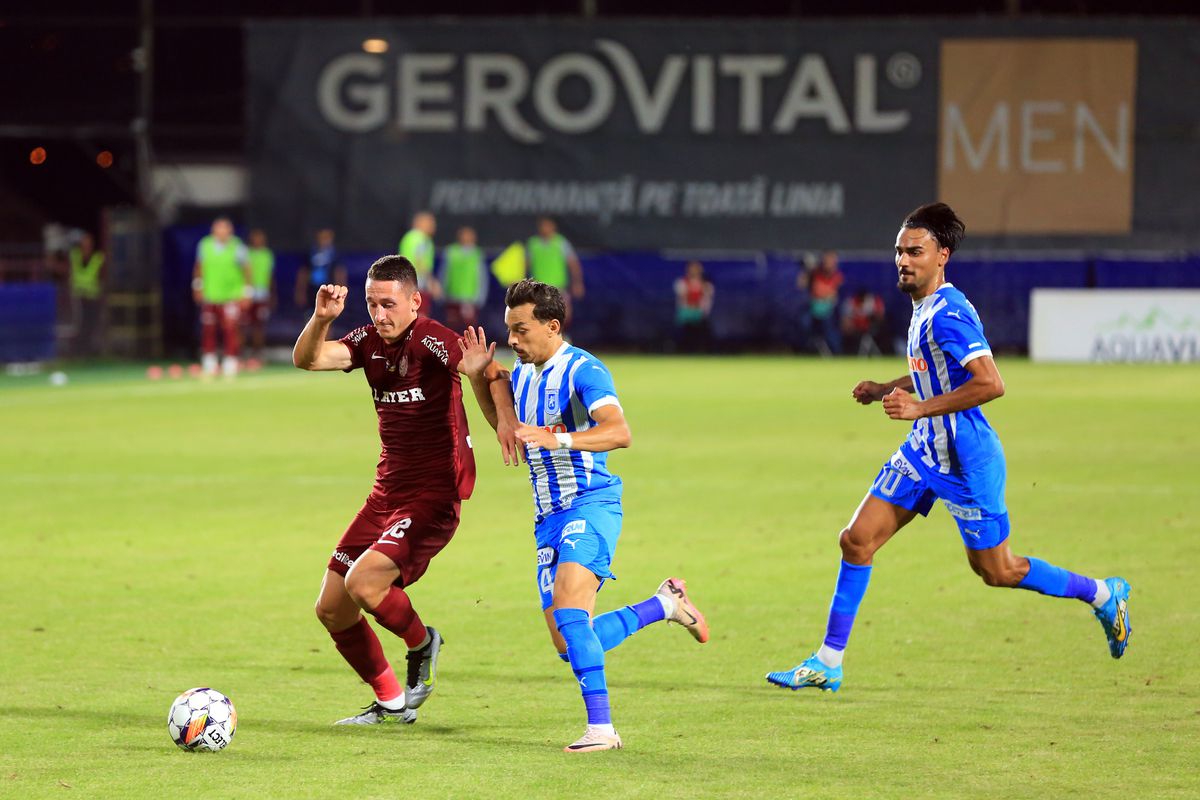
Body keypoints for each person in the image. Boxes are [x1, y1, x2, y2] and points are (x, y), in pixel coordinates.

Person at [765, 203, 1132, 693]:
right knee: (856, 540)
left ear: (943, 255)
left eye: (914, 251)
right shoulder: (923, 307)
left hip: (965, 462)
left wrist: (917, 409)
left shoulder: (950, 314)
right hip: (924, 452)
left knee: (997, 571)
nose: (903, 260)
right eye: (898, 251)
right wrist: (883, 388)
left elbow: (990, 384)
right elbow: (932, 373)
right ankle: (828, 661)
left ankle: (1103, 594)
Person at [458, 279, 710, 753]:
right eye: (508, 329)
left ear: (552, 327)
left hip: (590, 504)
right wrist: (478, 378)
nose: (512, 340)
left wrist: (562, 439)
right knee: (567, 640)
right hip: (546, 517)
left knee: (571, 610)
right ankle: (665, 606)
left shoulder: (583, 370)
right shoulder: (526, 370)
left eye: (521, 330)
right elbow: (509, 431)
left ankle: (602, 730)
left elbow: (620, 432)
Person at [293, 255, 519, 726]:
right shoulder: (367, 341)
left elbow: (487, 370)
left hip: (435, 495)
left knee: (364, 583)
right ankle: (391, 702)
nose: (380, 314)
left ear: (415, 301)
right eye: (373, 303)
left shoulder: (432, 338)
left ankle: (422, 643)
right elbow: (309, 358)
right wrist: (321, 319)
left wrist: (504, 419)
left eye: (389, 303)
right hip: (386, 493)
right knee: (332, 609)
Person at [192, 217, 252, 378]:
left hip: (231, 295)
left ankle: (230, 362)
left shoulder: (237, 247)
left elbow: (247, 269)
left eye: (225, 229)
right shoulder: (205, 245)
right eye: (219, 229)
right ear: (213, 231)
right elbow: (199, 266)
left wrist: (246, 292)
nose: (222, 232)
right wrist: (197, 286)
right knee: (208, 329)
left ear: (230, 231)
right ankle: (209, 362)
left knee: (231, 329)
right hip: (211, 295)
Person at [526, 217, 584, 327]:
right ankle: (545, 340)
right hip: (539, 289)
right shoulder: (533, 244)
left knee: (563, 315)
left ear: (553, 227)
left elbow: (573, 264)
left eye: (548, 225)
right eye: (543, 225)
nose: (545, 228)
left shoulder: (561, 243)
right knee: (541, 316)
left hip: (559, 288)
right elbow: (525, 265)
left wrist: (577, 283)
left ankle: (559, 336)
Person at [438, 226, 488, 333]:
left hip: (469, 299)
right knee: (451, 327)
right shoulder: (451, 252)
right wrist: (442, 292)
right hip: (452, 297)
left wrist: (480, 297)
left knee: (468, 328)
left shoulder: (477, 254)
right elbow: (444, 273)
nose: (467, 238)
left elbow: (482, 277)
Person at [68, 231, 105, 357]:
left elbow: (101, 276)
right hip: (79, 297)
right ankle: (78, 352)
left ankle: (90, 352)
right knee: (79, 325)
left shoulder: (97, 257)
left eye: (88, 242)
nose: (86, 244)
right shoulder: (75, 256)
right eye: (84, 241)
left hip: (93, 298)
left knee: (92, 325)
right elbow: (71, 273)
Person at [800, 250, 844, 355]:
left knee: (830, 332)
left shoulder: (837, 276)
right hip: (814, 308)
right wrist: (807, 270)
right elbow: (801, 284)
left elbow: (832, 294)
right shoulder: (815, 273)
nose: (828, 262)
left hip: (828, 309)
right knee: (805, 325)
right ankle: (809, 351)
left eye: (832, 259)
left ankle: (836, 353)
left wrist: (824, 297)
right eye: (827, 259)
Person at [399, 212, 442, 314]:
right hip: (416, 286)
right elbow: (419, 260)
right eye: (430, 222)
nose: (433, 226)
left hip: (409, 285)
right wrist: (431, 281)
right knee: (419, 318)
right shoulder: (420, 238)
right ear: (420, 223)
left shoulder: (411, 238)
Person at [294, 228, 346, 310]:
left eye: (327, 237)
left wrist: (341, 293)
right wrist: (300, 291)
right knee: (311, 313)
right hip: (312, 289)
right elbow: (303, 272)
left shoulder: (334, 254)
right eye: (322, 237)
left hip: (329, 289)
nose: (325, 240)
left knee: (328, 312)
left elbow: (340, 273)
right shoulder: (311, 252)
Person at [245, 229, 275, 365]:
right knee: (243, 324)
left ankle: (258, 354)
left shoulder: (267, 255)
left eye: (260, 238)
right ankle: (241, 353)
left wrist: (271, 294)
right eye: (255, 238)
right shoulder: (245, 254)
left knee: (259, 326)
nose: (258, 241)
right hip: (247, 294)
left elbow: (270, 276)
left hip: (262, 295)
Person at [673, 260, 715, 353]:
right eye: (692, 269)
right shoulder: (682, 282)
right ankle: (683, 351)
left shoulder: (706, 284)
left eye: (697, 269)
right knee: (687, 332)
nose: (694, 271)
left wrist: (701, 309)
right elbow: (681, 298)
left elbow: (707, 299)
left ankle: (703, 351)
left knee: (702, 330)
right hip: (687, 313)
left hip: (700, 313)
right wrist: (689, 308)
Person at [840, 287, 885, 356]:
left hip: (870, 328)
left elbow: (880, 317)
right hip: (855, 328)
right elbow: (846, 319)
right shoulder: (851, 303)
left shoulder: (872, 302)